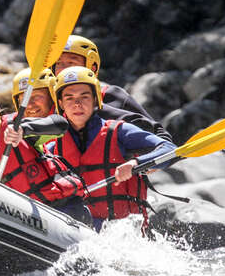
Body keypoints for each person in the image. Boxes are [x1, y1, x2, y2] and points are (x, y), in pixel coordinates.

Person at [46, 66, 177, 232]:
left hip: (123, 233)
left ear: (95, 100)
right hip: (78, 233)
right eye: (69, 98)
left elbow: (169, 149)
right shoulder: (53, 146)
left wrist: (136, 163)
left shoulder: (119, 132)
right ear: (60, 104)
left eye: (84, 97)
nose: (77, 104)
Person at [0, 90, 90, 223]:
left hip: (62, 209)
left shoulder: (20, 131)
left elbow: (60, 124)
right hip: (25, 224)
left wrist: (25, 129)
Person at [53, 35, 173, 142]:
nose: (64, 69)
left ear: (92, 67)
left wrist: (139, 162)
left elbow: (161, 137)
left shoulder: (111, 95)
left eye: (71, 63)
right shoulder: (45, 101)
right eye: (59, 63)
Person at [10, 67, 60, 153]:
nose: (29, 105)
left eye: (36, 96)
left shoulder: (73, 119)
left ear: (52, 96)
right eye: (24, 99)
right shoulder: (11, 132)